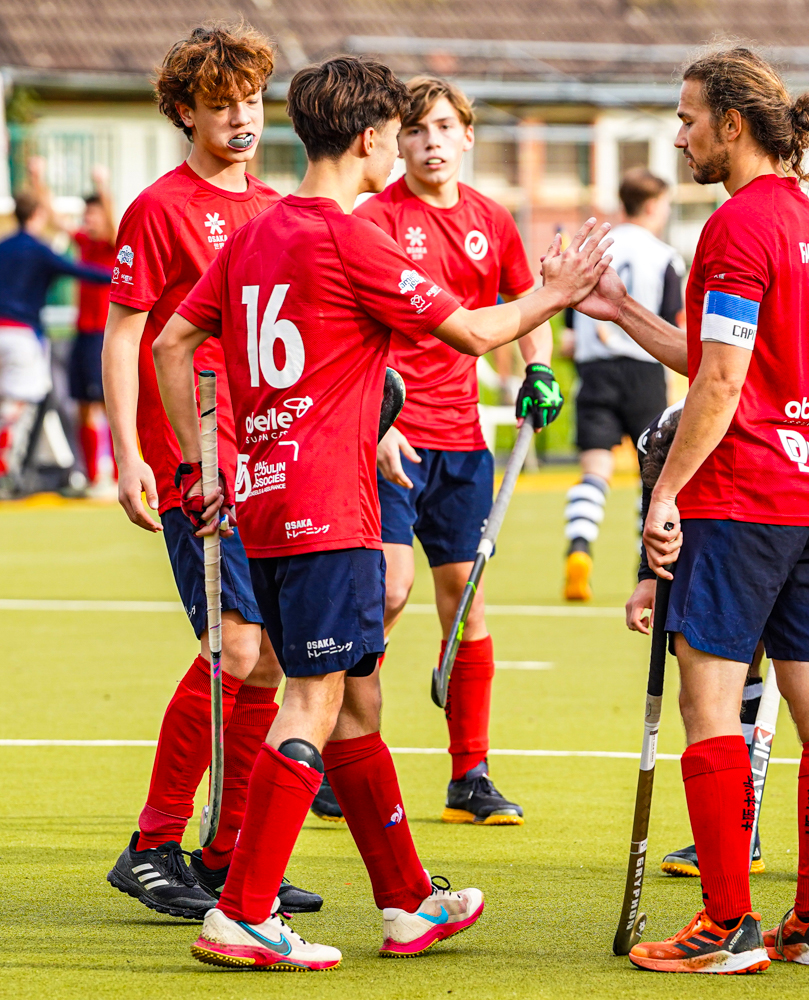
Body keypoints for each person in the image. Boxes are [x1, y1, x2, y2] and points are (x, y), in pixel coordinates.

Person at [152, 54, 612, 970]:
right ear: (370, 139)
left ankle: (407, 902)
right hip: (332, 506)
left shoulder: (257, 233)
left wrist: (211, 466)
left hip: (266, 499)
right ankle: (242, 912)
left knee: (357, 704)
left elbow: (174, 342)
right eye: (397, 132)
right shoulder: (351, 237)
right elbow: (478, 333)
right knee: (316, 699)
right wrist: (557, 295)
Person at [571, 45, 809, 973]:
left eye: (689, 116)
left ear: (732, 124)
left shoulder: (737, 226)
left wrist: (665, 491)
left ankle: (728, 923)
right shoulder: (806, 219)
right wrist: (618, 308)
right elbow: (723, 356)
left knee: (710, 708)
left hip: (744, 501)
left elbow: (726, 381)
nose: (680, 132)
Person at [100, 22, 321, 922]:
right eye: (221, 103)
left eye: (252, 101)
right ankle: (152, 846)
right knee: (232, 646)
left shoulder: (275, 208)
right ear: (184, 112)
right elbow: (125, 338)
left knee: (266, 659)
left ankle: (227, 855)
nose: (241, 117)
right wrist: (127, 454)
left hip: (271, 456)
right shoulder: (159, 209)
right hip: (198, 462)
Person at [347, 75, 559, 827]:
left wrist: (538, 364)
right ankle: (338, 749)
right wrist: (377, 421)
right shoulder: (373, 217)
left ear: (467, 137)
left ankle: (470, 773)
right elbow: (352, 328)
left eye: (443, 127)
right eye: (415, 130)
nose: (430, 141)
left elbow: (524, 300)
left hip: (463, 440)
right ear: (395, 142)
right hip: (390, 439)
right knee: (390, 588)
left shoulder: (491, 220)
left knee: (463, 598)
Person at [639, 383, 809, 883]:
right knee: (736, 653)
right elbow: (657, 510)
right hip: (740, 498)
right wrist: (648, 576)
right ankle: (742, 830)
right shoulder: (665, 431)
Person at [559, 166, 679, 601]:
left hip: (595, 370)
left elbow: (571, 330)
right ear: (653, 206)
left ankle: (579, 549)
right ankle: (645, 570)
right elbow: (672, 323)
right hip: (643, 369)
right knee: (652, 476)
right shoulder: (665, 254)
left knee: (594, 471)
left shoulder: (597, 253)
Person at [0, 185, 112, 488]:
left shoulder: (3, 246)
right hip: (22, 336)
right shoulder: (39, 250)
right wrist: (120, 278)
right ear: (38, 216)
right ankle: (9, 472)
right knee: (27, 400)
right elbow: (78, 270)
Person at [70, 170, 119, 492]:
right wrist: (37, 178)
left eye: (93, 211)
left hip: (105, 335)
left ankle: (117, 475)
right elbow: (44, 216)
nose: (88, 218)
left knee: (112, 406)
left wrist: (103, 187)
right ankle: (92, 476)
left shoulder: (111, 243)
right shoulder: (84, 241)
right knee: (83, 407)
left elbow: (114, 223)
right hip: (83, 333)